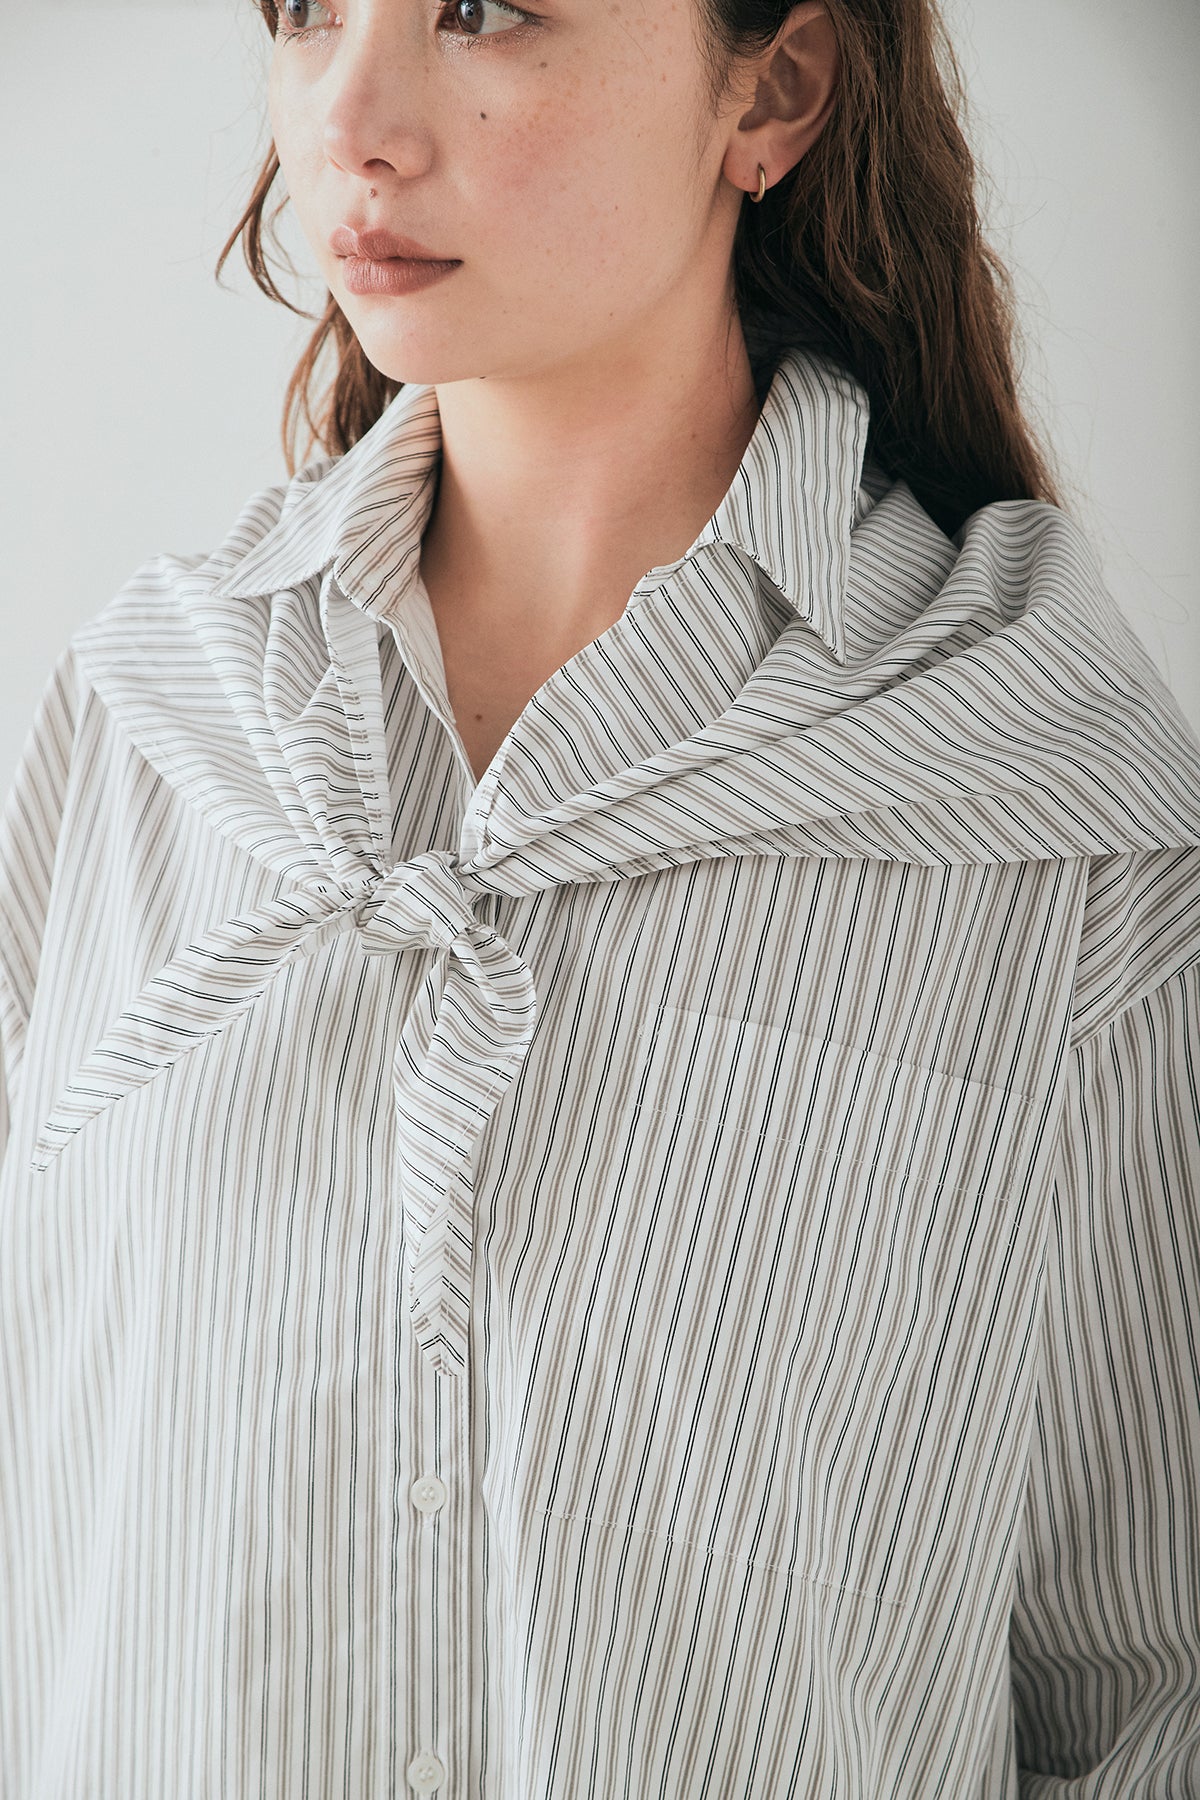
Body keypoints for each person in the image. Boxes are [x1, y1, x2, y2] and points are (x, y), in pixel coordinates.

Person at [1, 0, 1197, 1792]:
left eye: (483, 11)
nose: (350, 120)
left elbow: (1151, 1696)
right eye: (309, 9)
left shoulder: (1055, 822)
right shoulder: (140, 725)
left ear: (775, 88)